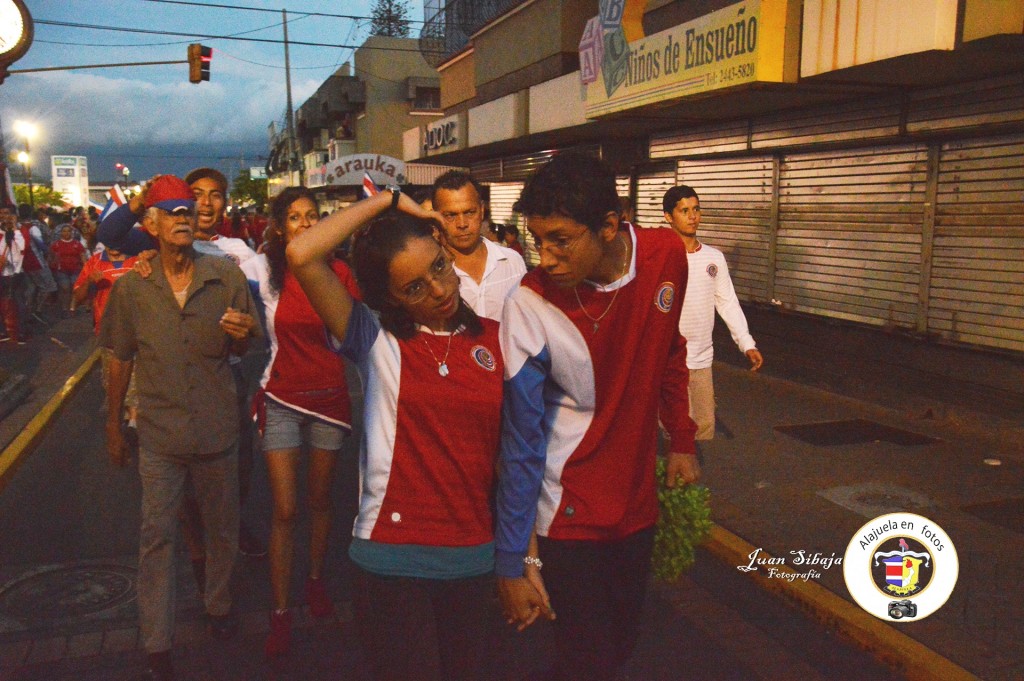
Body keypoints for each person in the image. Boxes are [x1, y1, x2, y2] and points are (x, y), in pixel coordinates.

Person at [495, 154, 699, 681]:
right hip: (566, 514)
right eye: (538, 241)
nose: (547, 258)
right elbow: (519, 439)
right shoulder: (529, 303)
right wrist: (516, 558)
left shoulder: (666, 254)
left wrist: (682, 437)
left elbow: (670, 349)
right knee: (588, 658)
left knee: (622, 646)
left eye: (561, 239)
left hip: (636, 506)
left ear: (610, 227)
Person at [288, 187, 504, 681]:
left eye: (438, 268)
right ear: (389, 298)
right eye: (414, 288)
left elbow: (513, 461)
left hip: (472, 556)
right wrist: (390, 202)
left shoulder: (495, 338)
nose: (438, 289)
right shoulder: (373, 338)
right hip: (389, 559)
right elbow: (302, 253)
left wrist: (522, 558)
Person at [100, 175, 260, 681]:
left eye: (187, 210)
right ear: (151, 224)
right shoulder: (133, 286)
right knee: (157, 537)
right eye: (171, 211)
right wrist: (112, 425)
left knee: (222, 530)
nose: (183, 217)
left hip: (216, 430)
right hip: (160, 435)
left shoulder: (224, 276)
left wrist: (242, 336)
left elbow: (244, 344)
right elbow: (118, 359)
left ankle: (218, 607)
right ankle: (157, 641)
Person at [240, 187, 360, 658]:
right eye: (295, 217)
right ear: (279, 226)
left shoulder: (342, 273)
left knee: (321, 500)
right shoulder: (263, 272)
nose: (306, 224)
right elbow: (208, 264)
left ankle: (313, 581)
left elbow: (353, 334)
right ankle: (280, 611)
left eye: (313, 216)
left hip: (330, 398)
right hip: (282, 398)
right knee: (286, 509)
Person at [663, 185, 764, 442]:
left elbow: (727, 302)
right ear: (668, 216)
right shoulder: (661, 258)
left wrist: (746, 343)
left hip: (701, 360)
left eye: (696, 209)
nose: (692, 216)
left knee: (705, 425)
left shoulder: (713, 258)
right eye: (684, 210)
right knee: (672, 429)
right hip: (668, 360)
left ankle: (696, 481)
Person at [432, 170, 526, 321]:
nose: (462, 224)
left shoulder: (513, 262)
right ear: (435, 217)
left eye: (469, 212)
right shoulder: (431, 275)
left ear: (482, 211)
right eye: (451, 215)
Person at [0, 204, 29, 344]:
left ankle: (22, 331)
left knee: (18, 302)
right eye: (1, 213)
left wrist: (14, 230)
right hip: (2, 271)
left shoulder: (20, 230)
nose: (3, 216)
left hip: (16, 273)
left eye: (6, 213)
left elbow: (23, 248)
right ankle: (2, 331)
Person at [49, 224, 87, 315]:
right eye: (64, 231)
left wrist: (86, 268)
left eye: (68, 231)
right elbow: (51, 257)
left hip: (75, 269)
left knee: (75, 288)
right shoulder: (56, 245)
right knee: (65, 288)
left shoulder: (77, 244)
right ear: (61, 233)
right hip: (61, 270)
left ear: (71, 233)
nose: (66, 233)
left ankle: (72, 307)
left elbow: (82, 256)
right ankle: (64, 308)